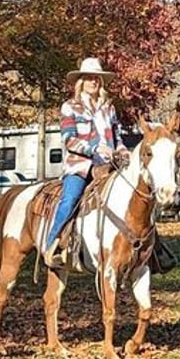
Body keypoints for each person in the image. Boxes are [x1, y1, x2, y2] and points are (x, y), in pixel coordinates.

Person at [43, 58, 129, 267]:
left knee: (135, 195)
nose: (94, 82)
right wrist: (93, 149)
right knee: (70, 199)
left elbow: (117, 137)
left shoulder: (108, 108)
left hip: (110, 165)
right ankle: (52, 245)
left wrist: (122, 150)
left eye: (97, 78)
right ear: (81, 81)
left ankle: (151, 251)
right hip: (80, 166)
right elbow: (68, 139)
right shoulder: (70, 107)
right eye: (89, 78)